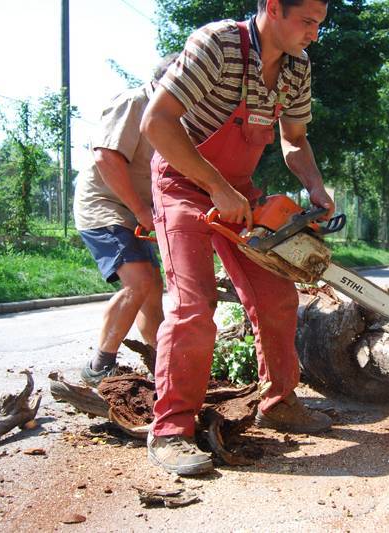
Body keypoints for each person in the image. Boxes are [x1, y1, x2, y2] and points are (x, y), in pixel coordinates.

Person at [140, 0, 333, 476]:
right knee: (193, 305)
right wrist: (214, 185)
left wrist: (314, 185)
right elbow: (156, 122)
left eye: (319, 24)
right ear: (273, 8)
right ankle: (171, 430)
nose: (313, 34)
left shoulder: (297, 67)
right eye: (306, 21)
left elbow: (294, 139)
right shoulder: (220, 44)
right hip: (183, 183)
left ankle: (280, 401)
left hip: (242, 194)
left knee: (276, 295)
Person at [73, 56, 176, 386]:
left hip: (135, 210)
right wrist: (143, 211)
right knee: (139, 282)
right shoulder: (134, 102)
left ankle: (162, 364)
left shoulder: (170, 115)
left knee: (151, 289)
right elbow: (106, 156)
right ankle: (99, 365)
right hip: (105, 205)